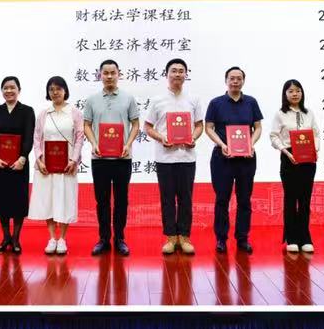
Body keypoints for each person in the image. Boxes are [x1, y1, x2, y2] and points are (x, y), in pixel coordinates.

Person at [144, 58, 204, 255]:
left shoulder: (193, 99)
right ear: (167, 74)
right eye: (174, 70)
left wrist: (193, 137)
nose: (177, 74)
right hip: (165, 158)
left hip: (187, 157)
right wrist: (161, 138)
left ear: (186, 74)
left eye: (181, 71)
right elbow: (147, 127)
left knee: (186, 199)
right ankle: (170, 237)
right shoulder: (157, 100)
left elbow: (199, 125)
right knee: (167, 199)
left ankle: (184, 237)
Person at [204, 66, 263, 254]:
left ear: (243, 81)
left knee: (244, 199)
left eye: (239, 78)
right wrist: (222, 144)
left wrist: (251, 144)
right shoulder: (216, 103)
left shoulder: (251, 102)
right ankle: (221, 238)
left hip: (246, 158)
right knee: (222, 199)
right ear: (226, 80)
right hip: (222, 158)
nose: (235, 81)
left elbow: (258, 127)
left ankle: (242, 238)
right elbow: (209, 128)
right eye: (232, 78)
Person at [83, 59, 139, 257]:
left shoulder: (128, 98)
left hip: (123, 158)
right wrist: (94, 143)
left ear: (118, 74)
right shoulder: (92, 100)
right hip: (99, 158)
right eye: (105, 73)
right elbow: (86, 125)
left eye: (112, 73)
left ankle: (120, 239)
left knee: (122, 200)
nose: (109, 76)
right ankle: (104, 239)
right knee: (102, 201)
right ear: (100, 75)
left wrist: (128, 144)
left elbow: (135, 124)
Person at [31, 75, 83, 255]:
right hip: (47, 166)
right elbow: (36, 138)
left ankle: (63, 239)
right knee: (49, 201)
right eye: (51, 89)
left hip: (67, 166)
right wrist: (39, 159)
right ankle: (52, 237)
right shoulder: (43, 114)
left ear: (65, 90)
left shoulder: (74, 112)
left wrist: (74, 160)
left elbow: (79, 138)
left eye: (58, 89)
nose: (55, 92)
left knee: (65, 200)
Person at [270, 79, 322, 252]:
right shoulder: (280, 114)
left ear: (302, 93)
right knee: (291, 199)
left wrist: (315, 149)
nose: (295, 94)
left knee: (305, 199)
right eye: (291, 91)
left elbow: (316, 134)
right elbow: (274, 136)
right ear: (285, 94)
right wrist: (286, 152)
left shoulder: (309, 113)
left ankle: (305, 237)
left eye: (298, 90)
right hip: (289, 157)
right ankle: (291, 237)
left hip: (308, 158)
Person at [0, 76, 34, 253]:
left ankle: (16, 238)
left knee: (18, 201)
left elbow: (29, 137)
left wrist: (23, 158)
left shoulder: (27, 111)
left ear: (19, 90)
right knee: (2, 200)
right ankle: (6, 237)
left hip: (19, 164)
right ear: (2, 91)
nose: (9, 91)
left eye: (12, 87)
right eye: (5, 88)